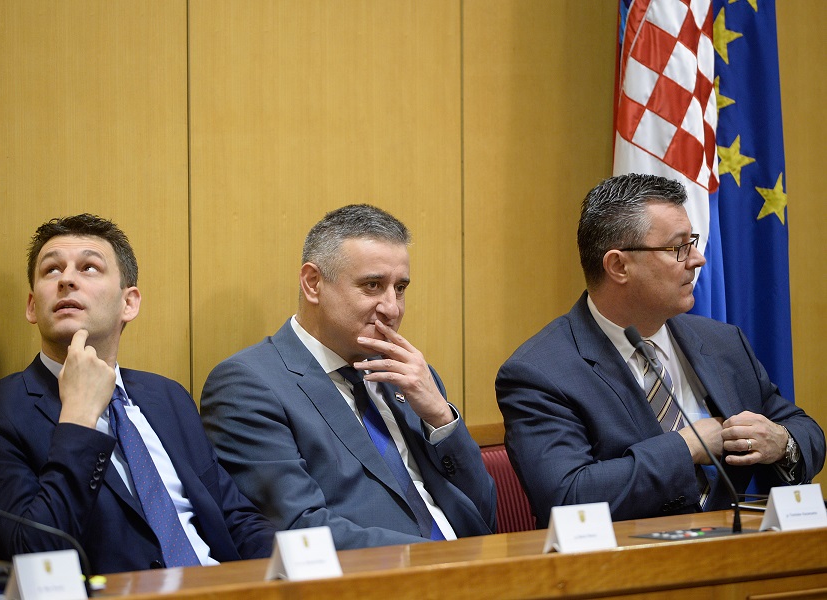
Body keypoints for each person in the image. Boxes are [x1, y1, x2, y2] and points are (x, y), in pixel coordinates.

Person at [0, 214, 275, 574]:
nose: (67, 280)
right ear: (32, 306)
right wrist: (78, 417)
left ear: (129, 303)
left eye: (89, 267)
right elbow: (37, 553)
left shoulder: (167, 397)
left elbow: (234, 517)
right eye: (51, 270)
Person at [497, 174, 825, 528]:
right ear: (618, 266)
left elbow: (804, 429)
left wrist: (781, 441)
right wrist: (688, 447)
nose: (698, 259)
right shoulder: (540, 372)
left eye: (693, 242)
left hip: (740, 556)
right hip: (626, 569)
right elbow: (567, 497)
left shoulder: (723, 342)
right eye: (678, 248)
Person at [201, 204, 497, 549]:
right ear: (313, 283)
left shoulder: (411, 376)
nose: (392, 308)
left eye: (400, 288)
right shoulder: (248, 385)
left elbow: (483, 514)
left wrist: (440, 418)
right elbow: (301, 528)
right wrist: (435, 561)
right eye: (373, 285)